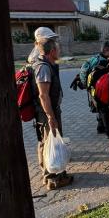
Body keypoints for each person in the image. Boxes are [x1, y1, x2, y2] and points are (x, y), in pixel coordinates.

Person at [32, 37, 74, 190]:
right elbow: (43, 95)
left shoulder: (46, 64)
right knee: (50, 142)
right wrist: (51, 117)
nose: (60, 51)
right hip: (46, 113)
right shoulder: (43, 68)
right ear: (52, 51)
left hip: (48, 111)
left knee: (48, 142)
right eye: (58, 49)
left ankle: (51, 174)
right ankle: (53, 179)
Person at [78, 40, 109, 137]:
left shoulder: (95, 58)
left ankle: (100, 128)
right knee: (104, 110)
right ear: (106, 50)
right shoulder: (103, 62)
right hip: (100, 90)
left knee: (99, 108)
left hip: (92, 89)